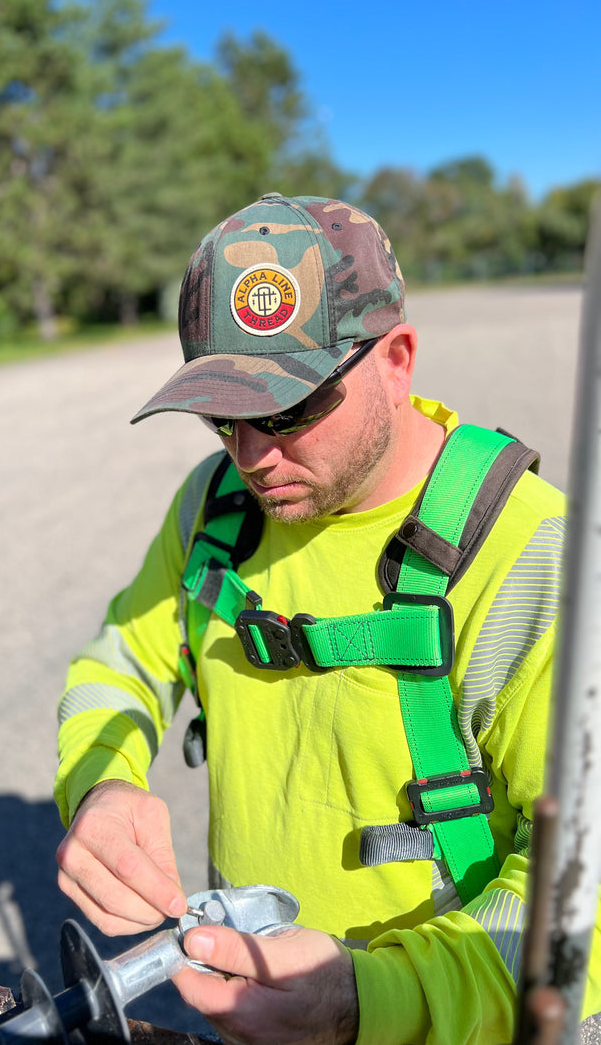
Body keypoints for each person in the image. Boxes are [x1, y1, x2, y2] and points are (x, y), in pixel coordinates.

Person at [53, 193, 599, 1043]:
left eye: (289, 409)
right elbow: (121, 659)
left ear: (397, 361)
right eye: (222, 416)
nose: (252, 456)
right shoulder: (213, 509)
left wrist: (368, 1001)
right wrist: (102, 783)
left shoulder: (534, 556)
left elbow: (583, 895)